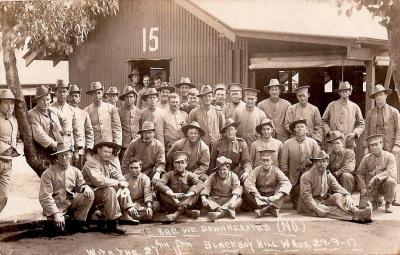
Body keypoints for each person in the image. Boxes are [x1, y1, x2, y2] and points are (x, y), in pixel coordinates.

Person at [298, 150, 372, 222]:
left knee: (339, 196)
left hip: (323, 199)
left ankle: (355, 210)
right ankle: (355, 216)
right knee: (327, 209)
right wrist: (316, 208)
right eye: (319, 162)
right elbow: (306, 196)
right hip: (310, 204)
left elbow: (337, 186)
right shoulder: (306, 176)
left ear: (327, 163)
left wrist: (347, 195)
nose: (322, 164)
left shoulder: (327, 174)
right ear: (315, 163)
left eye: (324, 161)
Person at [82, 139, 138, 234]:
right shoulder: (91, 162)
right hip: (88, 195)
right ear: (99, 150)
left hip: (98, 192)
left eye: (110, 152)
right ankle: (112, 223)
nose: (108, 154)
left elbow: (115, 173)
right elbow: (100, 182)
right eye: (105, 151)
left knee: (120, 186)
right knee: (110, 190)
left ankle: (126, 213)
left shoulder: (105, 162)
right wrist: (118, 182)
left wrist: (122, 180)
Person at [39, 142, 94, 234]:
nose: (64, 158)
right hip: (56, 207)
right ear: (57, 157)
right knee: (56, 230)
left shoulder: (75, 171)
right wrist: (56, 214)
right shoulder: (48, 173)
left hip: (70, 204)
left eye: (66, 155)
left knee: (89, 194)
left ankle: (79, 222)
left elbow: (80, 186)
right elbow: (45, 197)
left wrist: (85, 187)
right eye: (61, 156)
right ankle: (60, 220)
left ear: (71, 154)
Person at [280, 118, 319, 209]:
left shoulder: (313, 143)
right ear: (294, 130)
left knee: (309, 200)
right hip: (294, 176)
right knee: (297, 205)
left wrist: (312, 171)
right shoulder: (287, 143)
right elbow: (283, 162)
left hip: (309, 175)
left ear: (306, 129)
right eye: (297, 127)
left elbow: (317, 160)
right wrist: (285, 176)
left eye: (302, 127)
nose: (300, 129)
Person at [155, 151, 204, 222]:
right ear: (174, 164)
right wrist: (172, 194)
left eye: (182, 162)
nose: (180, 165)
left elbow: (201, 184)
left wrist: (188, 194)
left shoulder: (189, 175)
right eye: (177, 163)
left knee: (195, 187)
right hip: (173, 202)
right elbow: (158, 184)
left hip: (187, 200)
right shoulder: (169, 175)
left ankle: (177, 214)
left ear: (186, 164)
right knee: (163, 190)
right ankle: (186, 211)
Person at [356, 134, 399, 213]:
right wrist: (363, 187)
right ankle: (377, 200)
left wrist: (375, 177)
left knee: (391, 181)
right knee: (363, 206)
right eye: (372, 145)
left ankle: (388, 203)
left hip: (384, 186)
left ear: (382, 144)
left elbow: (390, 172)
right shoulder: (366, 158)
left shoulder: (390, 156)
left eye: (376, 144)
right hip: (371, 187)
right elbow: (359, 173)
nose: (374, 147)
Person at [84, 81, 122, 171]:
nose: (97, 96)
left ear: (102, 93)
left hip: (110, 148)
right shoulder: (86, 111)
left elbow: (117, 128)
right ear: (91, 94)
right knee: (97, 173)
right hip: (96, 149)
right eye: (94, 93)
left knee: (116, 171)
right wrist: (89, 150)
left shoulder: (111, 108)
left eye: (99, 93)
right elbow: (87, 131)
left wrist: (118, 145)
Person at [244, 149, 292, 218]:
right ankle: (272, 208)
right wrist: (258, 196)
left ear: (272, 161)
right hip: (260, 196)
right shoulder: (256, 170)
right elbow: (248, 183)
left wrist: (277, 196)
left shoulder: (276, 170)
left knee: (285, 191)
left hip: (273, 196)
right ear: (260, 161)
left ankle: (264, 210)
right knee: (247, 191)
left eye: (267, 160)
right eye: (263, 160)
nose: (265, 163)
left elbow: (286, 183)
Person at [322, 81, 364, 151]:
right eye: (342, 91)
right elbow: (324, 120)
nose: (344, 93)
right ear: (339, 93)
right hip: (333, 141)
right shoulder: (332, 105)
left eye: (346, 91)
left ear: (350, 92)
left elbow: (361, 124)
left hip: (348, 142)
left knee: (348, 160)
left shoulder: (355, 107)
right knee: (333, 160)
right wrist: (328, 131)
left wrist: (355, 133)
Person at [0, 89, 23, 214]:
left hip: (8, 163)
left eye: (12, 103)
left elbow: (18, 139)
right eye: (6, 103)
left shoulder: (14, 120)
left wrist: (17, 149)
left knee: (4, 196)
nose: (10, 106)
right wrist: (6, 148)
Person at [51, 80, 84, 163]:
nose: (62, 94)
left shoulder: (72, 110)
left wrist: (76, 151)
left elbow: (77, 131)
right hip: (54, 147)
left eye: (64, 91)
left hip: (68, 147)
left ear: (68, 93)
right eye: (59, 91)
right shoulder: (49, 108)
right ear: (55, 92)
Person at [201, 156, 242, 221]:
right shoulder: (213, 176)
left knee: (239, 200)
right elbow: (206, 187)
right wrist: (203, 198)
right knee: (208, 201)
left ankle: (218, 214)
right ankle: (228, 210)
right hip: (215, 200)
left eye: (224, 169)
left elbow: (237, 188)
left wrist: (233, 199)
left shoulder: (233, 175)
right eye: (220, 170)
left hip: (228, 200)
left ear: (228, 168)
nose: (222, 172)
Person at [28, 85, 66, 157]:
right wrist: (56, 145)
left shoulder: (53, 110)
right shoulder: (32, 114)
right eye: (43, 100)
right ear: (37, 101)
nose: (46, 102)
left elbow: (65, 120)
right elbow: (39, 135)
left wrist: (65, 133)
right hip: (44, 151)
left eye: (48, 99)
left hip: (60, 149)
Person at [364, 84, 400, 155]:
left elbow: (399, 129)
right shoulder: (370, 113)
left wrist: (397, 145)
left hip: (390, 146)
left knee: (390, 165)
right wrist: (365, 146)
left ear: (386, 96)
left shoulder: (394, 111)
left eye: (380, 95)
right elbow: (366, 131)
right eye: (376, 96)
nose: (378, 97)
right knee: (375, 165)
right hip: (374, 147)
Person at [67, 85, 94, 169]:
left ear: (80, 98)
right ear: (67, 97)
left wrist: (88, 151)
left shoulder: (84, 114)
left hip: (81, 151)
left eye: (76, 96)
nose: (74, 98)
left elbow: (89, 132)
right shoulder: (63, 112)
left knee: (79, 175)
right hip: (67, 151)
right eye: (71, 96)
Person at [118, 86, 141, 162]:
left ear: (134, 98)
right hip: (124, 144)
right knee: (124, 163)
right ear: (124, 98)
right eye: (127, 97)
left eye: (131, 96)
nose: (129, 99)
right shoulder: (119, 111)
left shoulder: (139, 111)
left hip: (137, 143)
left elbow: (141, 127)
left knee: (137, 164)